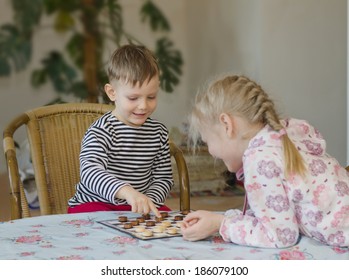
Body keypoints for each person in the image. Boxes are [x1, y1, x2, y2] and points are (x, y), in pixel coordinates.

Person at [181, 74, 349, 248]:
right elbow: (279, 211)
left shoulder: (259, 160)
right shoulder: (284, 133)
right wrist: (228, 218)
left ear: (226, 124)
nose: (210, 152)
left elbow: (281, 236)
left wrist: (221, 224)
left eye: (207, 141)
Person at [68, 44, 174, 217]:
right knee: (92, 225)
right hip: (95, 203)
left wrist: (147, 201)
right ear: (112, 93)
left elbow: (163, 178)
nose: (143, 106)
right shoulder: (101, 131)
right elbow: (90, 172)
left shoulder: (159, 132)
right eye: (133, 98)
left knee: (170, 221)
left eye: (151, 97)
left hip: (136, 207)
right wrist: (126, 192)